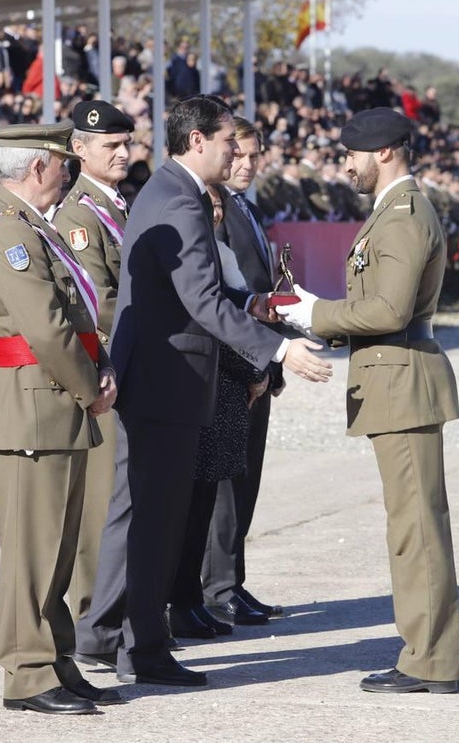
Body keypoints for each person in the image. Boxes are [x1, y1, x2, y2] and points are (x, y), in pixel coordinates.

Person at [72, 94, 332, 688]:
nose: (235, 151)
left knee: (134, 513)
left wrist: (255, 306)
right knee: (156, 520)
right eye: (227, 142)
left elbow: (204, 291)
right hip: (169, 382)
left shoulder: (165, 190)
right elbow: (201, 301)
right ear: (197, 143)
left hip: (159, 379)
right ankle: (144, 650)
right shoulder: (182, 200)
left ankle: (102, 633)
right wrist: (278, 347)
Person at [277, 107, 459, 695]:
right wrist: (318, 311)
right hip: (395, 379)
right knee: (409, 525)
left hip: (404, 380)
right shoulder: (392, 212)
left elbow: (388, 311)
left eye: (351, 154)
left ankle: (428, 660)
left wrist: (316, 314)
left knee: (417, 529)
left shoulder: (404, 216)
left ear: (384, 152)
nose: (346, 165)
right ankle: (425, 654)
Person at [0, 120, 120, 715]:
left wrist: (98, 366)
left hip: (54, 400)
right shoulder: (10, 234)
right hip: (36, 402)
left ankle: (56, 657)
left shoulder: (33, 228)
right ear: (37, 167)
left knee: (59, 546)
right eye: (64, 162)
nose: (69, 171)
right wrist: (93, 387)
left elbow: (76, 316)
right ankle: (27, 674)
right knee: (33, 551)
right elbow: (47, 328)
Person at [169, 186, 269, 639]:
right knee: (194, 510)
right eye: (204, 205)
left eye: (216, 206)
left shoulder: (221, 251)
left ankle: (195, 597)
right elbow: (211, 319)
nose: (212, 212)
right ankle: (189, 598)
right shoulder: (194, 255)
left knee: (212, 498)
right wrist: (256, 366)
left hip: (229, 388)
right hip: (209, 382)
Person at [50, 99, 134, 627]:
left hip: (131, 360)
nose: (124, 152)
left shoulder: (119, 205)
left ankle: (117, 611)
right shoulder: (80, 214)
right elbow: (98, 298)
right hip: (108, 362)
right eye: (111, 145)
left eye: (127, 142)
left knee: (125, 497)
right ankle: (92, 617)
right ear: (79, 150)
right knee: (102, 502)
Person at [202, 117, 284, 625]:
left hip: (259, 358)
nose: (248, 164)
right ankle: (217, 588)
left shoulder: (247, 209)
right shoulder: (212, 210)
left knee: (246, 480)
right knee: (226, 485)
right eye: (240, 154)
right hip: (234, 364)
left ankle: (234, 579)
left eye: (256, 156)